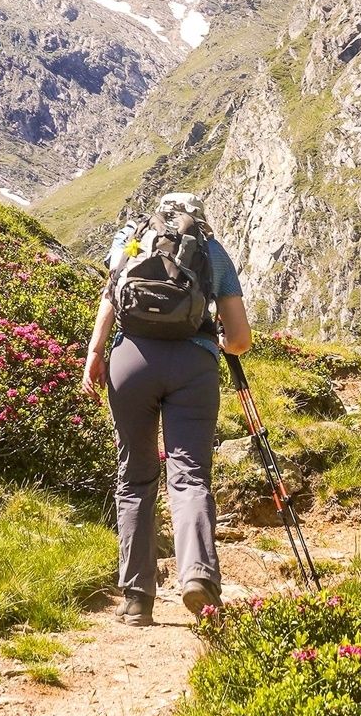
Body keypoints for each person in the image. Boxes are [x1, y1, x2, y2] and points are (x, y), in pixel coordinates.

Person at [80, 191, 251, 626]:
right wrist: (219, 344)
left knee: (134, 475)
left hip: (130, 361)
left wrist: (95, 353)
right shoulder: (211, 252)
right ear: (198, 218)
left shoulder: (130, 240)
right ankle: (198, 579)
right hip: (193, 365)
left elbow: (110, 298)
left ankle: (137, 599)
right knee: (190, 473)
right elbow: (240, 337)